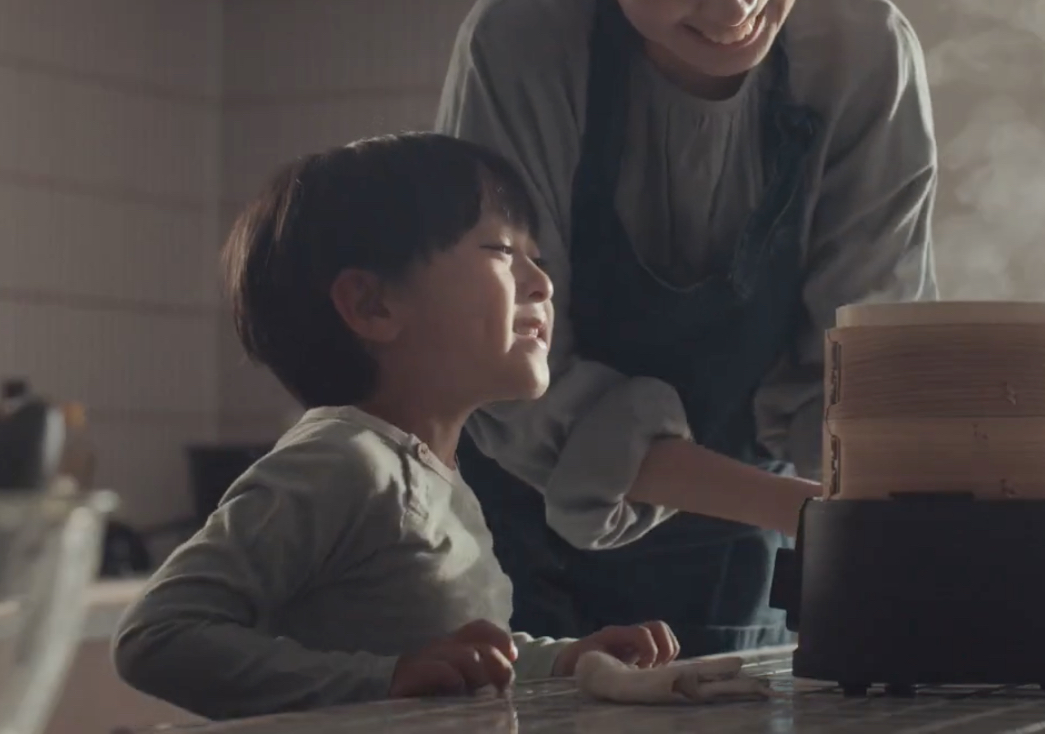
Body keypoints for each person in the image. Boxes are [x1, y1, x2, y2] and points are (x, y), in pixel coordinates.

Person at [437, 0, 938, 656]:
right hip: (504, 560)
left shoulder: (863, 59)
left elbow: (862, 379)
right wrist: (810, 511)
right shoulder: (524, 45)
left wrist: (977, 485)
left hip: (734, 551)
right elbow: (504, 371)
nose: (731, 4)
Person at [111, 133, 681, 720]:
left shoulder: (430, 475)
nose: (542, 282)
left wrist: (565, 660)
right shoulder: (342, 461)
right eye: (502, 251)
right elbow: (157, 636)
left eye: (536, 256)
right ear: (372, 305)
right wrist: (381, 681)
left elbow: (444, 659)